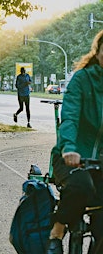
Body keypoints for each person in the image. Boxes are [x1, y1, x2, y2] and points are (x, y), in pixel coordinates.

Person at [46, 30, 103, 254]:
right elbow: (69, 117)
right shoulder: (82, 79)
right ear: (98, 52)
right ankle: (57, 231)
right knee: (81, 186)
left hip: (100, 163)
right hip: (71, 158)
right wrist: (69, 148)